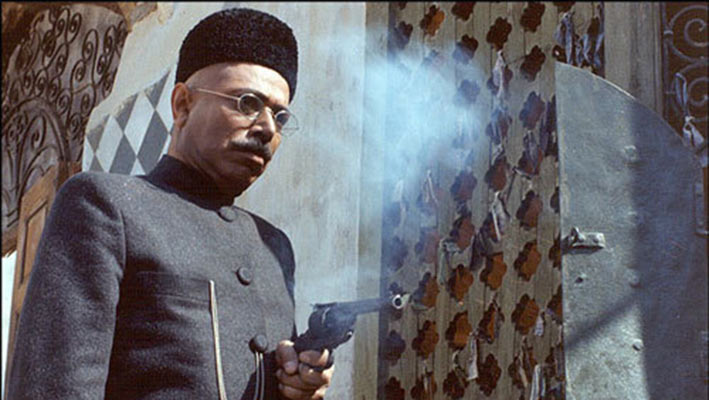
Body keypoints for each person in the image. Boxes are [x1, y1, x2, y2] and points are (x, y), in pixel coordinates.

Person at [7, 8, 333, 400]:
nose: (266, 128)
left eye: (279, 117)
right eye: (247, 103)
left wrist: (297, 385)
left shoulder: (274, 247)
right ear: (182, 105)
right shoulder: (105, 205)